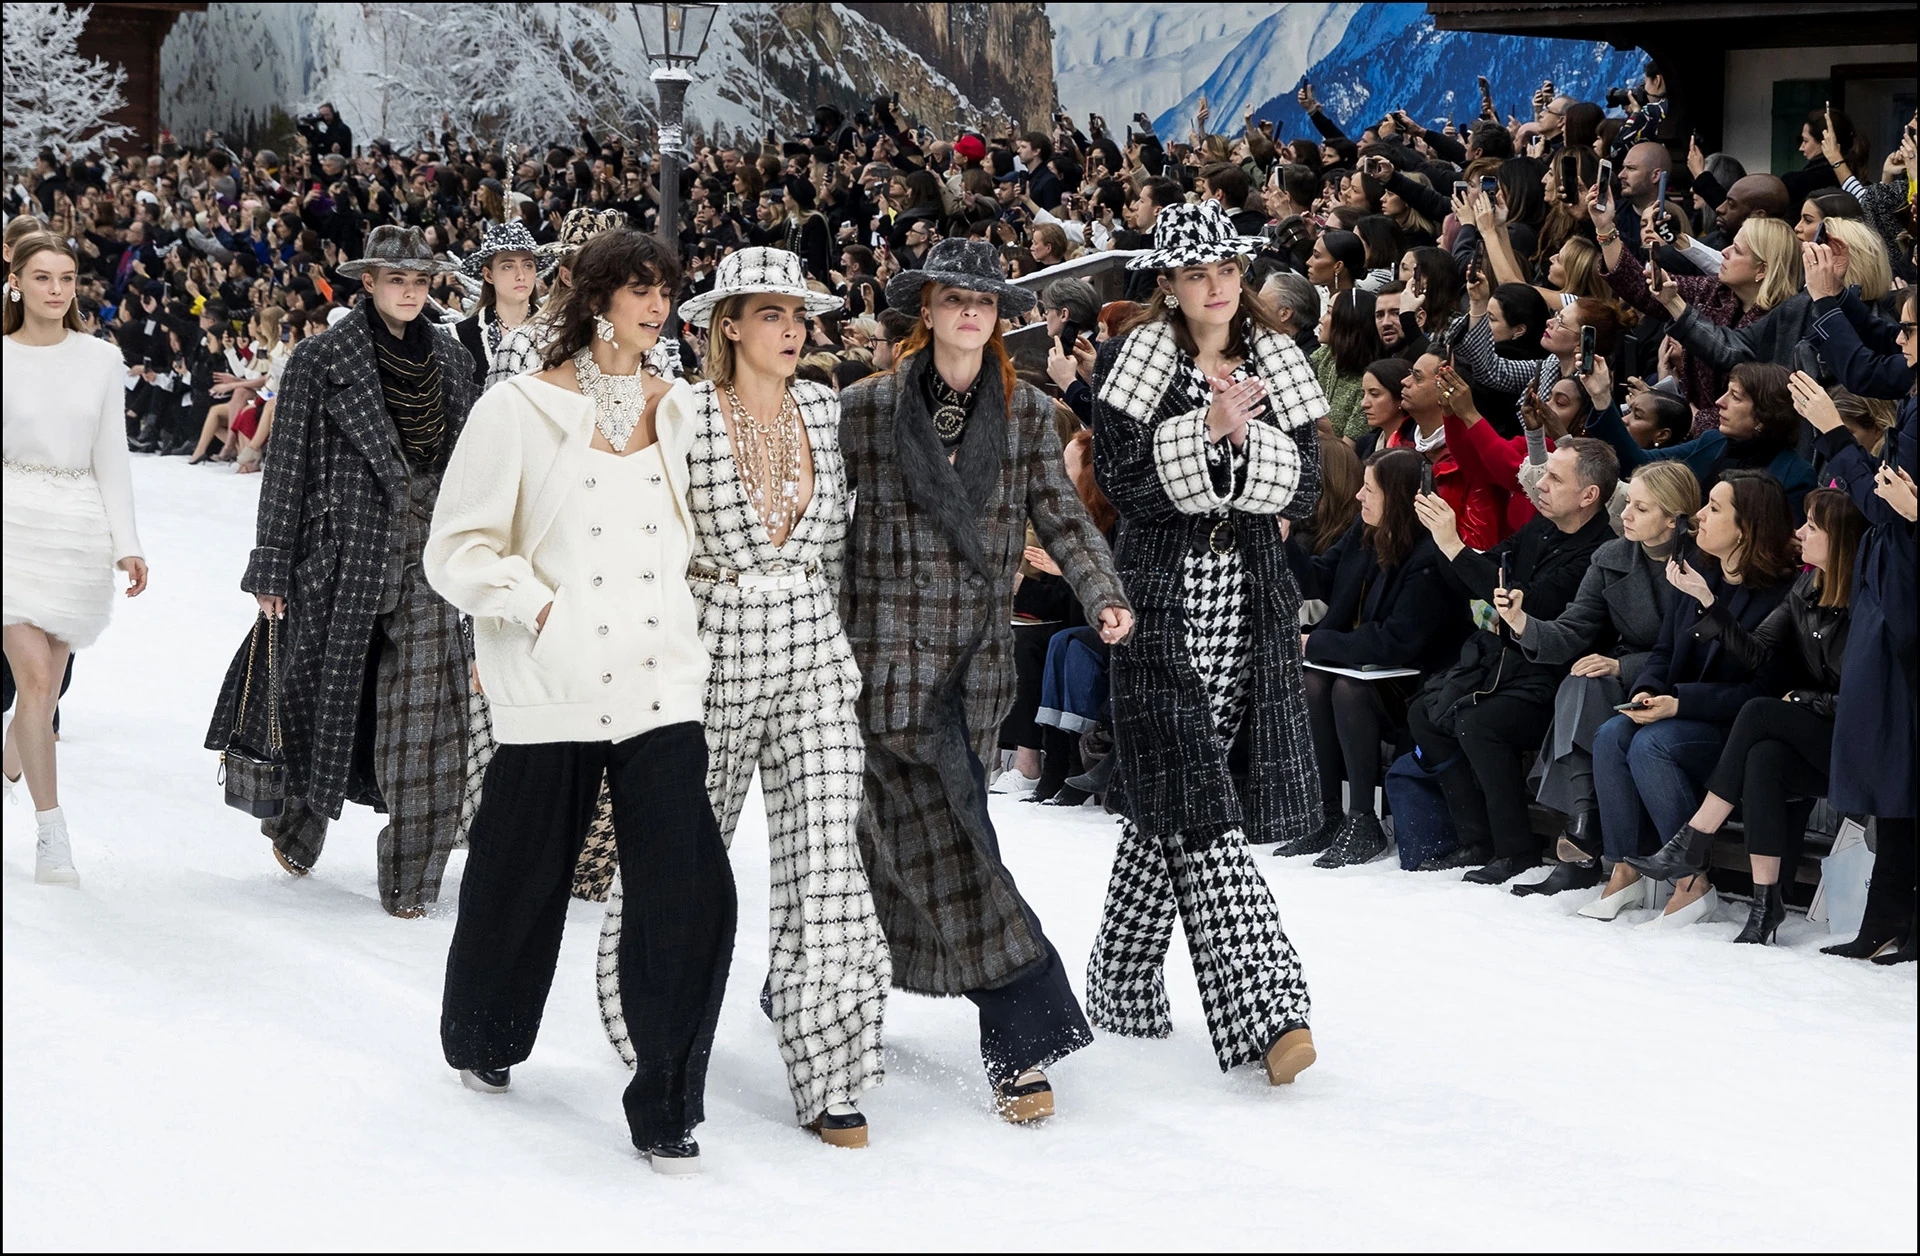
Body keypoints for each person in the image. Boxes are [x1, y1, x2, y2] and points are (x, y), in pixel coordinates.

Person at [426, 229, 734, 1174]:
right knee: (519, 882)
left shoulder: (679, 409)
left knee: (690, 896)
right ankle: (484, 1036)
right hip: (552, 682)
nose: (656, 306)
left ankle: (667, 1106)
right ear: (597, 298)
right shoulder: (517, 408)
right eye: (639, 289)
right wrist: (538, 608)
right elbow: (457, 551)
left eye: (666, 291)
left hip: (660, 684)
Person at [593, 248, 890, 1148]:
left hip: (809, 648)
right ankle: (644, 1021)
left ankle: (830, 1069)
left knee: (828, 858)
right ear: (727, 324)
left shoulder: (823, 408)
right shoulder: (680, 411)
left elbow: (836, 541)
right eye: (772, 314)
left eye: (800, 314)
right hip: (709, 648)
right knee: (681, 854)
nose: (794, 330)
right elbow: (640, 532)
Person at [839, 238, 1131, 1121]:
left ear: (1000, 316)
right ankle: (1022, 1034)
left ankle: (817, 990)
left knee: (900, 838)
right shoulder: (866, 409)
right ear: (925, 309)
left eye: (985, 300)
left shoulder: (1030, 413)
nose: (971, 311)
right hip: (880, 661)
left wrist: (1102, 591)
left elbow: (1063, 517)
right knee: (954, 835)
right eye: (953, 297)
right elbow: (812, 521)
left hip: (975, 667)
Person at [1086, 201, 1323, 1087]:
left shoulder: (1282, 359)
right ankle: (1271, 1006)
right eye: (1197, 274)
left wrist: (1246, 438)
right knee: (1198, 795)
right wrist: (1209, 432)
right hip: (1155, 596)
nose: (1217, 287)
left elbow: (1303, 493)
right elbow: (1122, 481)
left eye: (1228, 271)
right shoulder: (1138, 358)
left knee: (1177, 795)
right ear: (1171, 284)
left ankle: (1118, 982)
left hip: (1249, 596)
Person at [206, 225, 479, 917]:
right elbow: (286, 468)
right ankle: (296, 827)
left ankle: (412, 879)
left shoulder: (451, 361)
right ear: (369, 283)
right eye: (396, 279)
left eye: (420, 280)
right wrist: (271, 563)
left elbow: (472, 468)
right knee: (323, 702)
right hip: (340, 554)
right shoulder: (319, 359)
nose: (410, 291)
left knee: (428, 723)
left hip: (429, 562)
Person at [1622, 488, 1865, 941]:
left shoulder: (1867, 603)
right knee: (1764, 760)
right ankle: (1764, 908)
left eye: (1811, 526)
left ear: (1840, 540)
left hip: (1859, 741)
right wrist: (1706, 600)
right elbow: (1755, 652)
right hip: (1821, 735)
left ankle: (1693, 841)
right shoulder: (1805, 586)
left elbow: (1865, 700)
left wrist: (1804, 700)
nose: (1799, 532)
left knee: (1758, 712)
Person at [1580, 471, 1800, 923]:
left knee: (1651, 745)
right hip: (1683, 714)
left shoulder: (1780, 595)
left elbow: (1762, 694)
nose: (1699, 516)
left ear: (1747, 527)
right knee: (1612, 733)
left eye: (1715, 509)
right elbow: (1664, 652)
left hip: (1737, 734)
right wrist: (1647, 691)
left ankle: (1691, 879)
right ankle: (1625, 867)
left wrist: (1679, 703)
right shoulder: (1698, 571)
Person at [2, 236, 149, 884]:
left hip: (76, 530)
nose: (57, 290)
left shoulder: (99, 359)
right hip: (10, 518)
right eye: (42, 277)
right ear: (16, 283)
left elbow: (111, 458)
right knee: (34, 682)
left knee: (47, 688)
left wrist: (128, 543)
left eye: (65, 278)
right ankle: (50, 834)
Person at [1408, 438, 1620, 883]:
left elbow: (1533, 606)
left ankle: (1515, 849)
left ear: (1589, 496)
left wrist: (1454, 546)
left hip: (1558, 679)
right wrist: (1447, 545)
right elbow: (1490, 573)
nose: (1539, 484)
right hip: (1504, 662)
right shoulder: (1541, 528)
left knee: (1479, 722)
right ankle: (1475, 839)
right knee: (1424, 712)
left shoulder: (1597, 551)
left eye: (1554, 478)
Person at [1499, 462, 1698, 896]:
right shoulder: (1612, 556)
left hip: (1685, 683)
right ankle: (1584, 823)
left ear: (1673, 517)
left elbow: (1697, 649)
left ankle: (1584, 840)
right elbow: (1573, 629)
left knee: (1594, 678)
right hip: (1630, 677)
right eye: (1626, 503)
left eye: (1640, 508)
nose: (1624, 514)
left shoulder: (1702, 561)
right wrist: (1521, 622)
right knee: (1581, 679)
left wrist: (1622, 666)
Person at [1286, 448, 1473, 866]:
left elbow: (1397, 642)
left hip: (1421, 681)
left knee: (1348, 690)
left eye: (1369, 489)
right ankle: (1328, 811)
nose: (1358, 497)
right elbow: (1320, 577)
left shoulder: (1429, 556)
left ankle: (1363, 819)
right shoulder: (1365, 529)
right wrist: (1285, 542)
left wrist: (1313, 644)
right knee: (1313, 682)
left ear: (1399, 496)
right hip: (1374, 668)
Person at [1795, 338, 1917, 963]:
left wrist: (1836, 433)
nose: (1900, 340)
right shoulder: (1909, 399)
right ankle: (1885, 917)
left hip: (1901, 598)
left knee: (1903, 772)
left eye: (1909, 329)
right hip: (1888, 589)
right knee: (1895, 776)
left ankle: (1896, 919)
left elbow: (1882, 509)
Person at [1581, 356, 1816, 523]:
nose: (1719, 402)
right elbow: (1639, 465)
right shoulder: (1712, 442)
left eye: (1735, 396)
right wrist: (1601, 397)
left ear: (1765, 415)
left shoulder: (1795, 475)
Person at [452, 220, 539, 384]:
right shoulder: (464, 336)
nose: (521, 275)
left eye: (528, 265)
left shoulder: (556, 329)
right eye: (508, 266)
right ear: (488, 275)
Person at [1311, 288, 1383, 444]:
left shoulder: (1369, 381)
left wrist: (1326, 432)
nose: (1321, 319)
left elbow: (1348, 455)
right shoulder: (1325, 357)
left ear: (1347, 322)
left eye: (1329, 313)